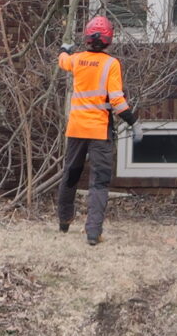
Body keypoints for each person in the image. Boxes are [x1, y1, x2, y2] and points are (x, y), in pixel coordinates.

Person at [57, 15, 133, 245]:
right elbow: (117, 101)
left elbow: (63, 61)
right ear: (109, 40)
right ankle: (93, 232)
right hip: (99, 132)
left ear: (87, 38)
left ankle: (64, 219)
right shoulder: (111, 64)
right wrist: (132, 120)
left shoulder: (77, 60)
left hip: (76, 128)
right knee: (99, 181)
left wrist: (64, 49)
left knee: (71, 174)